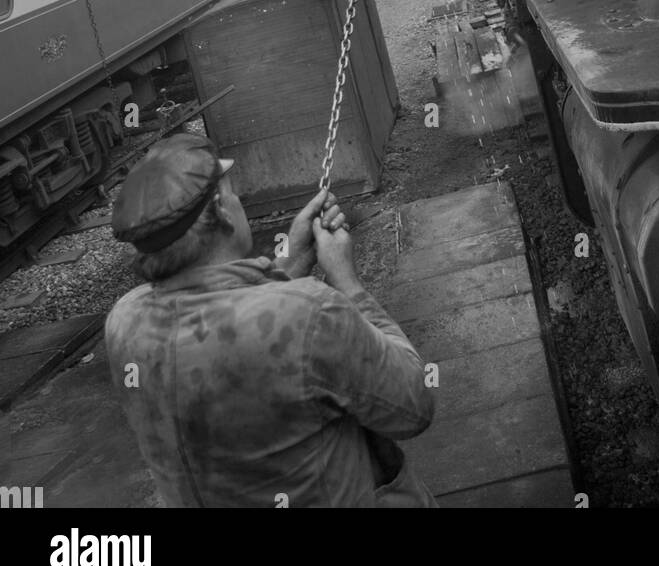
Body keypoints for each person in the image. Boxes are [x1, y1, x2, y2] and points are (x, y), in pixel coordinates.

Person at [105, 131, 437, 508]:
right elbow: (414, 404)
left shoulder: (124, 321)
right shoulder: (311, 313)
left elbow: (229, 326)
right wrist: (348, 282)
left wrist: (291, 261)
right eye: (233, 195)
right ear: (224, 212)